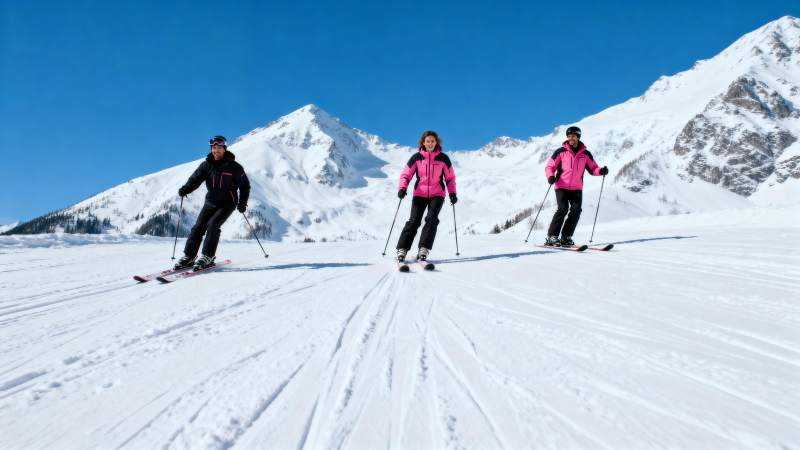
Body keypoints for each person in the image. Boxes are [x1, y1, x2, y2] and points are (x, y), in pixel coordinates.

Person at [174, 135, 250, 270]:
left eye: (219, 147)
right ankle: (189, 257)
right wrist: (186, 189)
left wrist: (242, 203)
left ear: (224, 149)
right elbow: (195, 179)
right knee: (198, 227)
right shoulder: (206, 165)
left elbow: (244, 186)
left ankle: (208, 256)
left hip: (227, 203)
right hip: (210, 202)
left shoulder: (234, 167)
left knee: (213, 225)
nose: (216, 150)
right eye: (214, 148)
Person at [395, 130, 457, 262]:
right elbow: (406, 174)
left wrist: (452, 193)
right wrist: (402, 188)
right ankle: (402, 249)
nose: (430, 143)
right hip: (420, 193)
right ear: (423, 142)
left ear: (436, 142)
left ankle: (424, 248)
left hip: (437, 194)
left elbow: (450, 178)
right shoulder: (416, 158)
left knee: (432, 219)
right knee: (414, 221)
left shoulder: (443, 158)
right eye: (428, 141)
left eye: (432, 141)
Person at [544, 126, 608, 247]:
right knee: (562, 208)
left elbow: (593, 168)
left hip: (576, 188)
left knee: (576, 210)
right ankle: (552, 236)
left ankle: (566, 236)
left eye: (573, 136)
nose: (570, 138)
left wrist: (601, 171)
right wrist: (550, 176)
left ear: (578, 137)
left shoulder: (585, 154)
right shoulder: (560, 152)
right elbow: (549, 166)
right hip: (561, 186)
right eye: (568, 136)